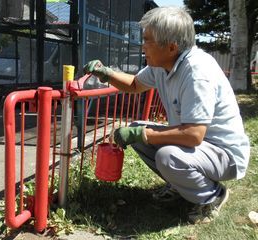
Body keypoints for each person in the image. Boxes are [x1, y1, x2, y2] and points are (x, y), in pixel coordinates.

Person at [83, 6, 250, 224]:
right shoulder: (163, 64)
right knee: (139, 130)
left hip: (223, 154)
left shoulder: (197, 73)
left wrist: (143, 133)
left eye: (147, 41)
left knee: (167, 156)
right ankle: (181, 185)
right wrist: (106, 73)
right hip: (198, 147)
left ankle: (212, 196)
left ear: (171, 47)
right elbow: (135, 84)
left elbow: (193, 135)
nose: (143, 47)